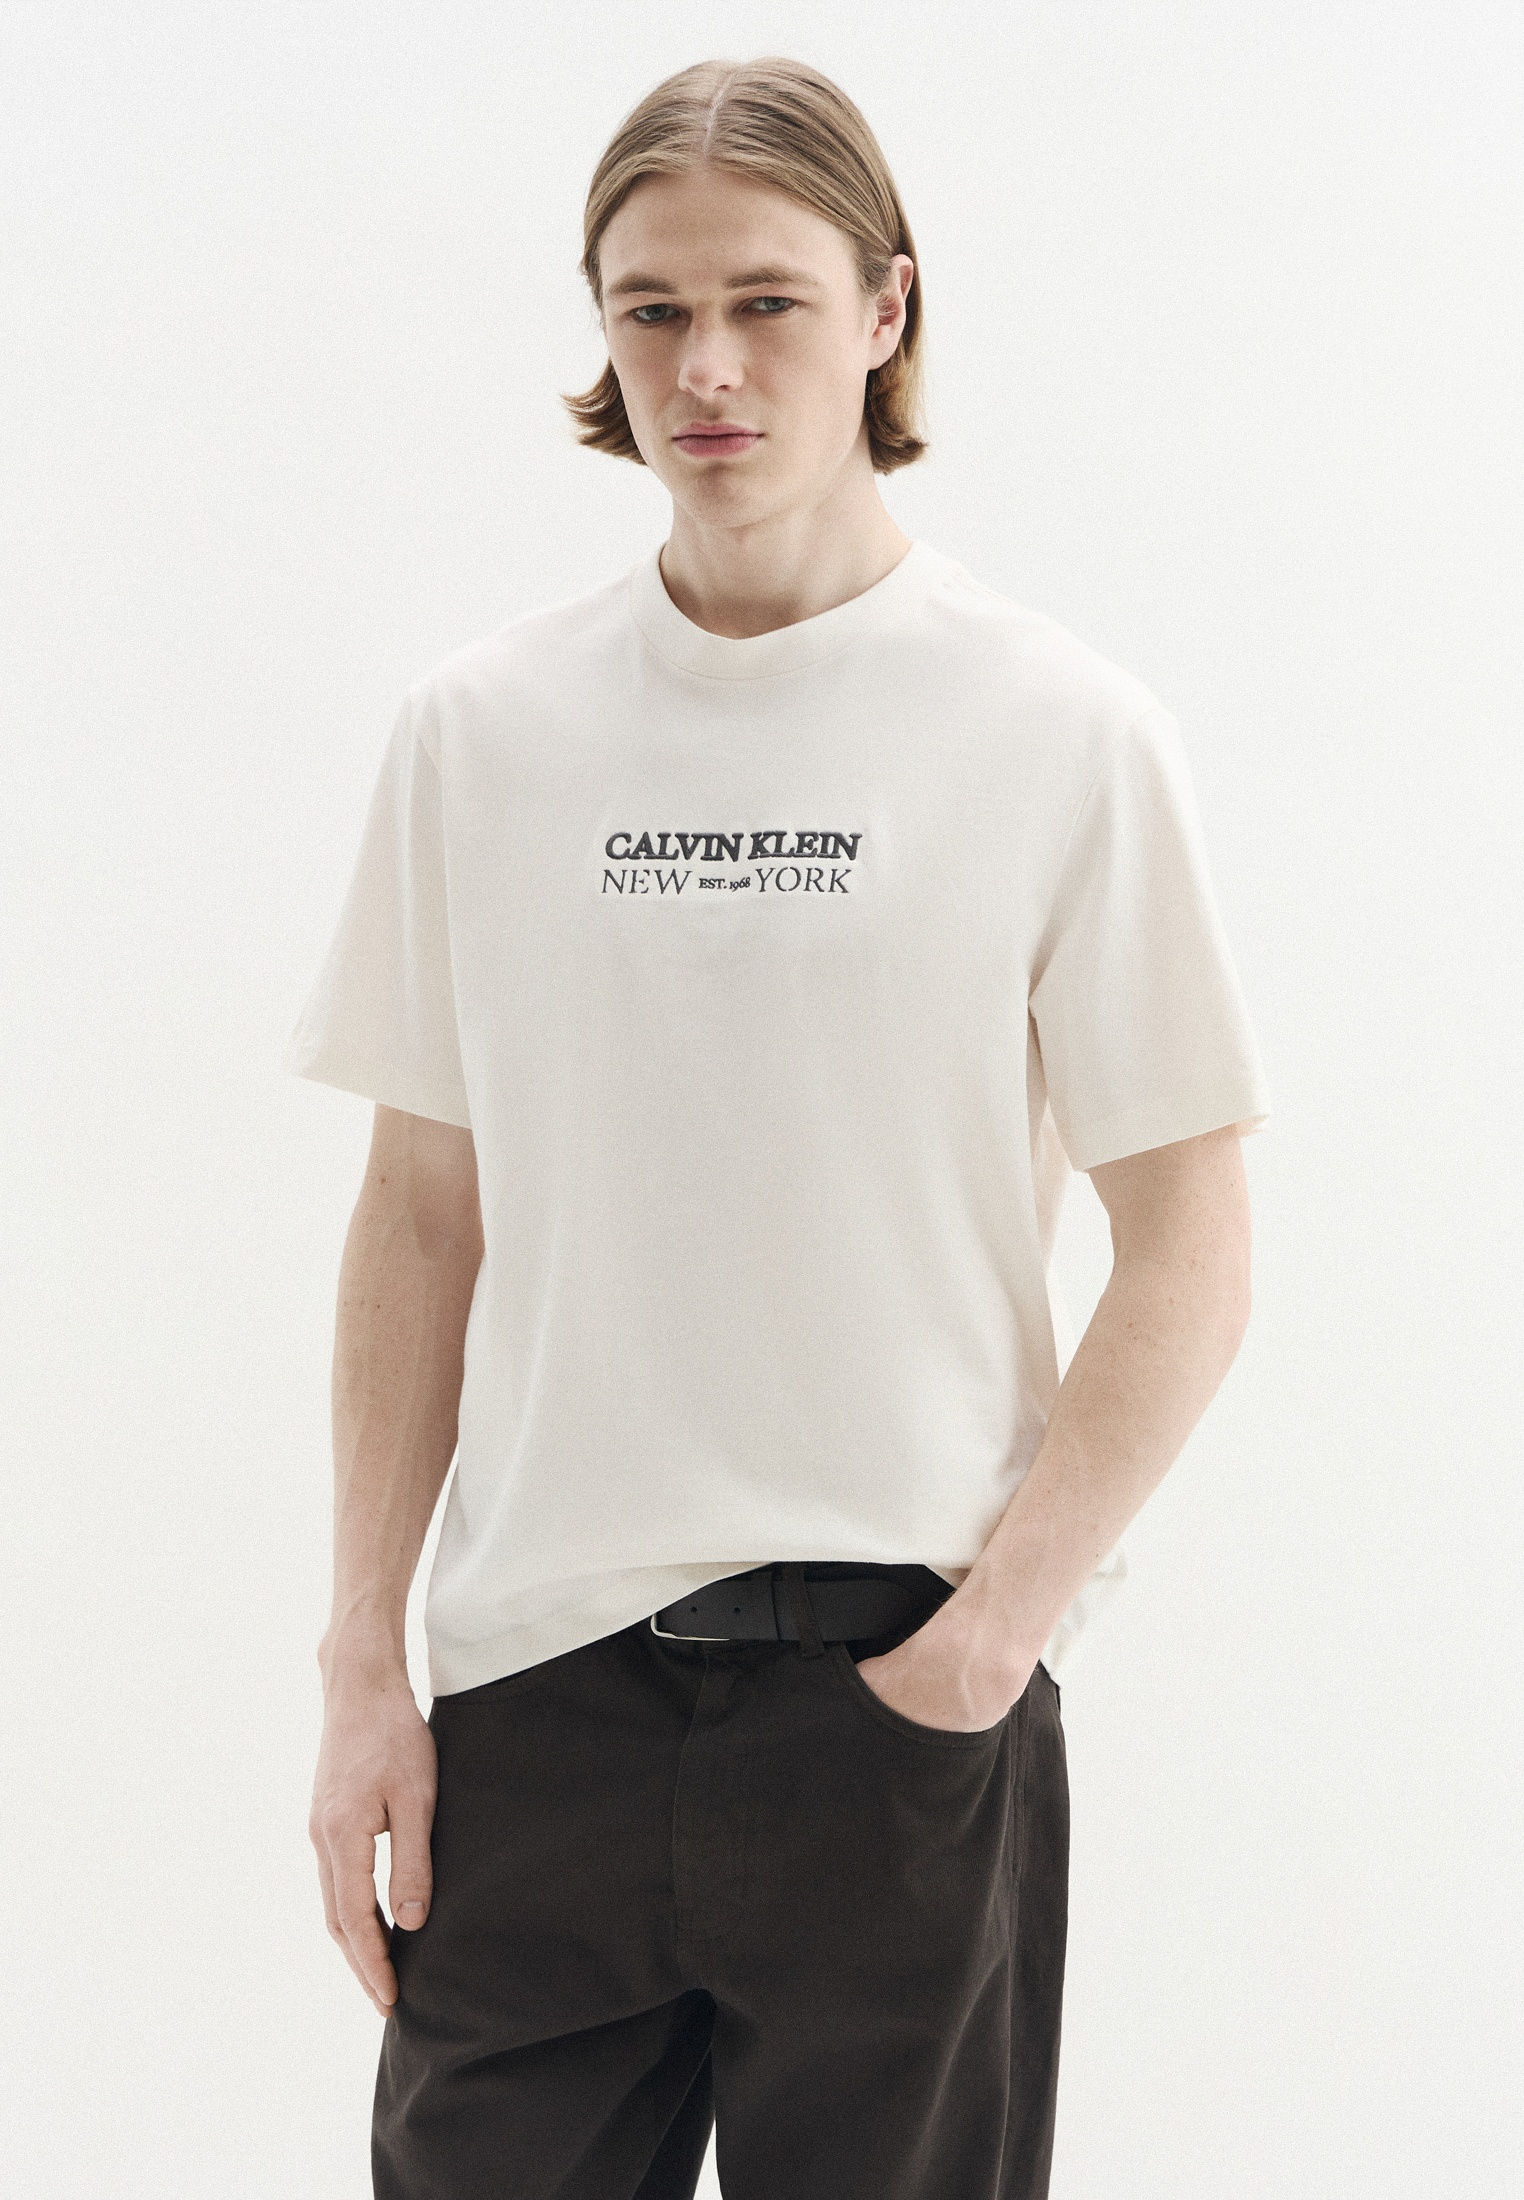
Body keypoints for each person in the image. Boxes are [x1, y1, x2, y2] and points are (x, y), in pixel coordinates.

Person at [284, 54, 1272, 2200]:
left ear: (887, 307)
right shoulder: (482, 736)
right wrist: (365, 1664)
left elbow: (1193, 1243)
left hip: (898, 1696)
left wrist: (991, 1638)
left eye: (767, 303)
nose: (704, 368)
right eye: (650, 310)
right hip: (533, 1702)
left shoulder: (1058, 731)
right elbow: (423, 1213)